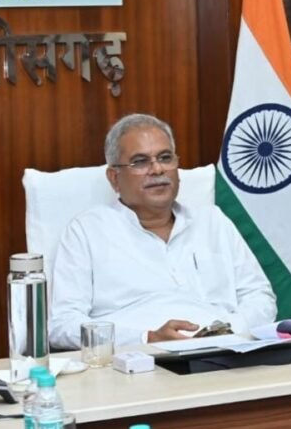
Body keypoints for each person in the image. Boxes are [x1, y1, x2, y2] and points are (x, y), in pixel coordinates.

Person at [49, 114, 277, 348]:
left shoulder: (212, 221)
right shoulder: (87, 232)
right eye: (140, 162)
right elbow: (62, 325)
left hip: (227, 352)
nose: (157, 169)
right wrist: (145, 338)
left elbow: (260, 297)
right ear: (114, 178)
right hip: (137, 359)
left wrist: (225, 331)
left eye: (165, 158)